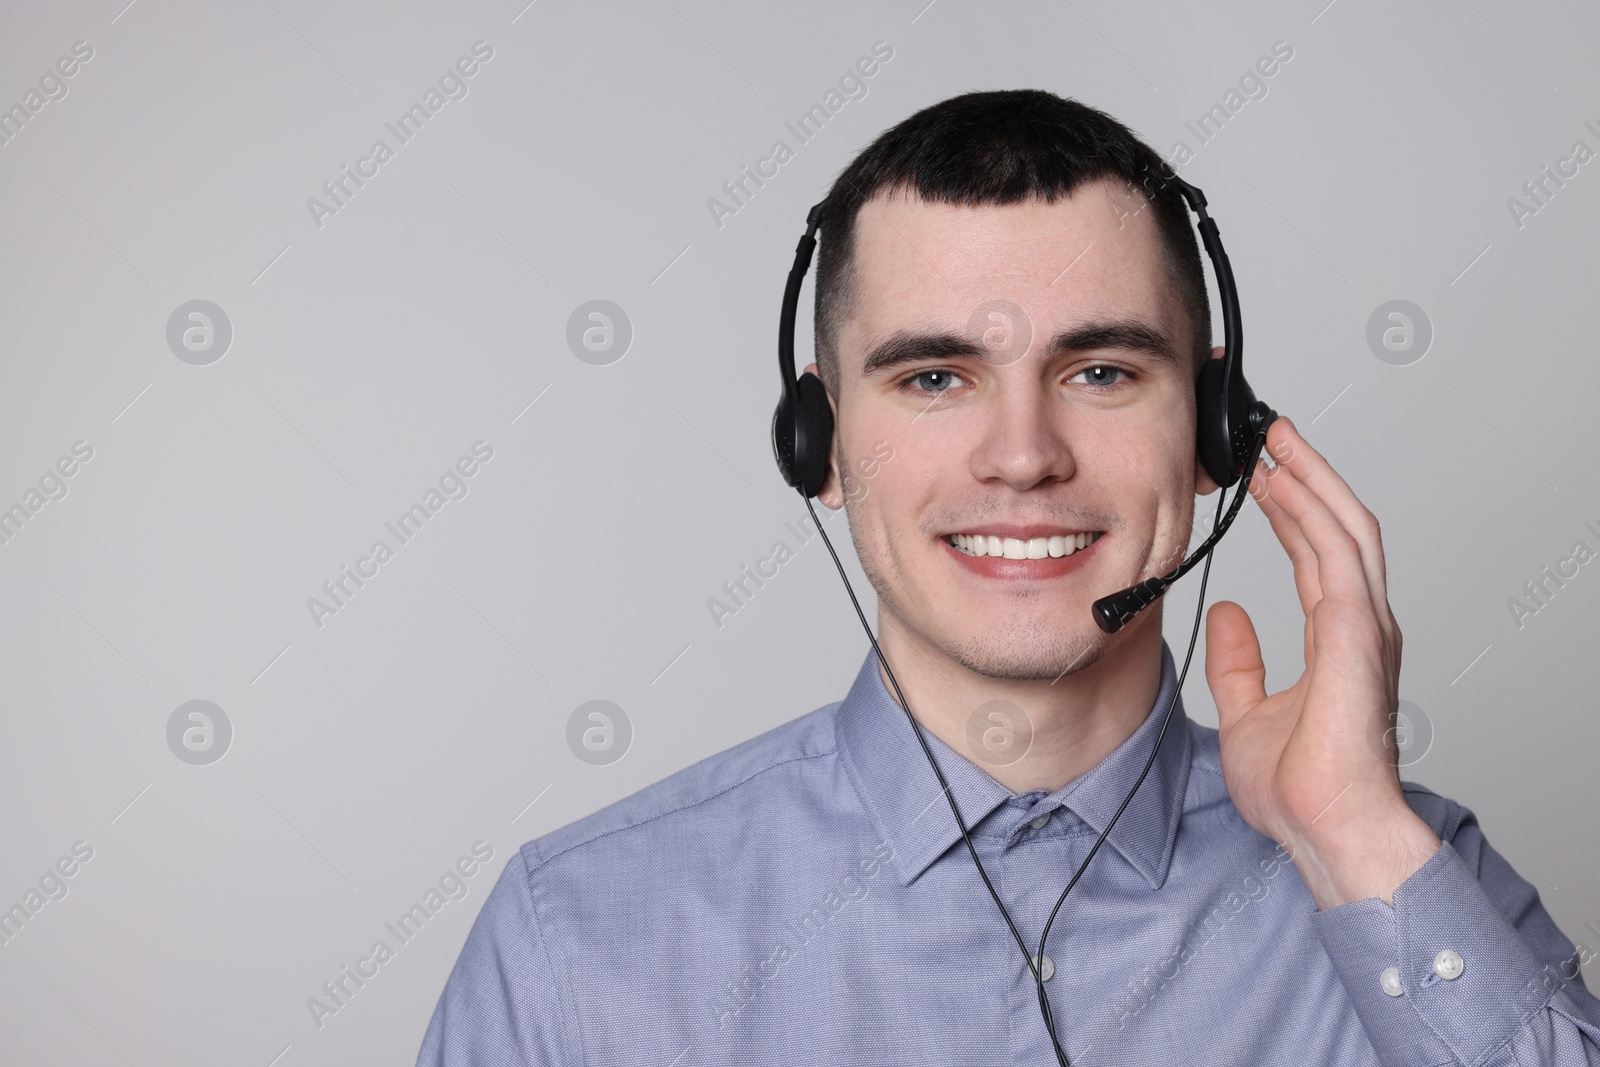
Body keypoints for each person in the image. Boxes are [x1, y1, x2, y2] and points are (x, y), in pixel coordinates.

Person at [416, 89, 1600, 1065]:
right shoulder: (574, 936)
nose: (1023, 455)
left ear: (1214, 431)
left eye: (1099, 370)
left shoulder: (1414, 876)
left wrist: (1353, 839)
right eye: (935, 377)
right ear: (818, 444)